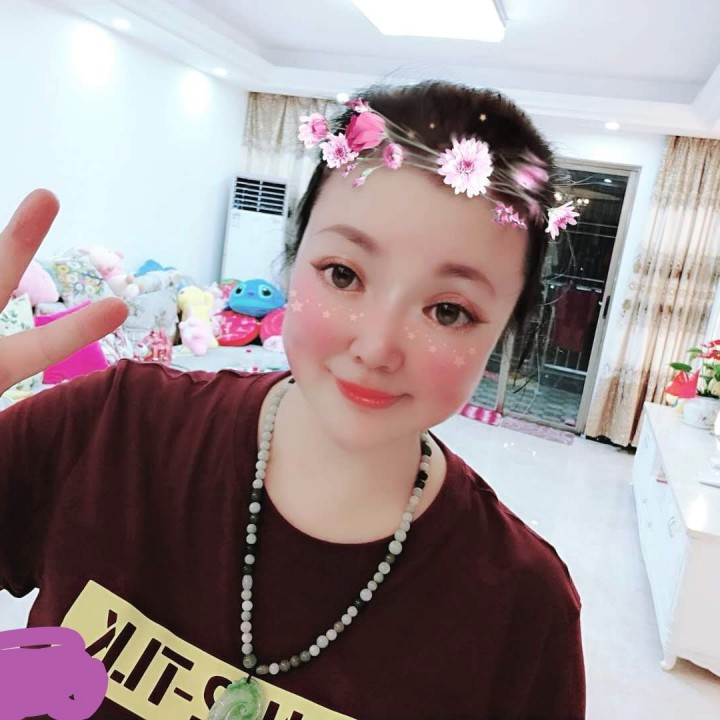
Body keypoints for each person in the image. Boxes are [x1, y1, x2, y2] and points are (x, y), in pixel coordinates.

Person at [0, 80, 585, 720]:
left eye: (449, 310)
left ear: (504, 334)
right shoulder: (113, 428)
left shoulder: (521, 607)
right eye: (344, 274)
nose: (376, 348)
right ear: (293, 258)